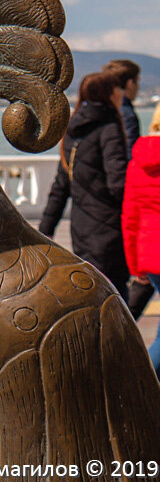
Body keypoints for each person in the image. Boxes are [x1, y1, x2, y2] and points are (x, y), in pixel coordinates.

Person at [39, 71, 130, 298]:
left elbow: (61, 186)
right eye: (118, 88)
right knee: (117, 296)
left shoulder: (73, 129)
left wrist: (46, 229)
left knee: (94, 293)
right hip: (110, 227)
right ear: (109, 93)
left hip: (81, 227)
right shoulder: (109, 127)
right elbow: (118, 182)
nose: (122, 93)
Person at [104, 58, 154, 316]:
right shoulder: (126, 114)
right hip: (120, 206)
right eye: (137, 81)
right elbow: (131, 159)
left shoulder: (103, 111)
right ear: (130, 83)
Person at [123, 106, 160, 375]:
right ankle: (147, 383)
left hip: (150, 255)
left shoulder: (138, 162)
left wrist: (136, 266)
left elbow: (130, 217)